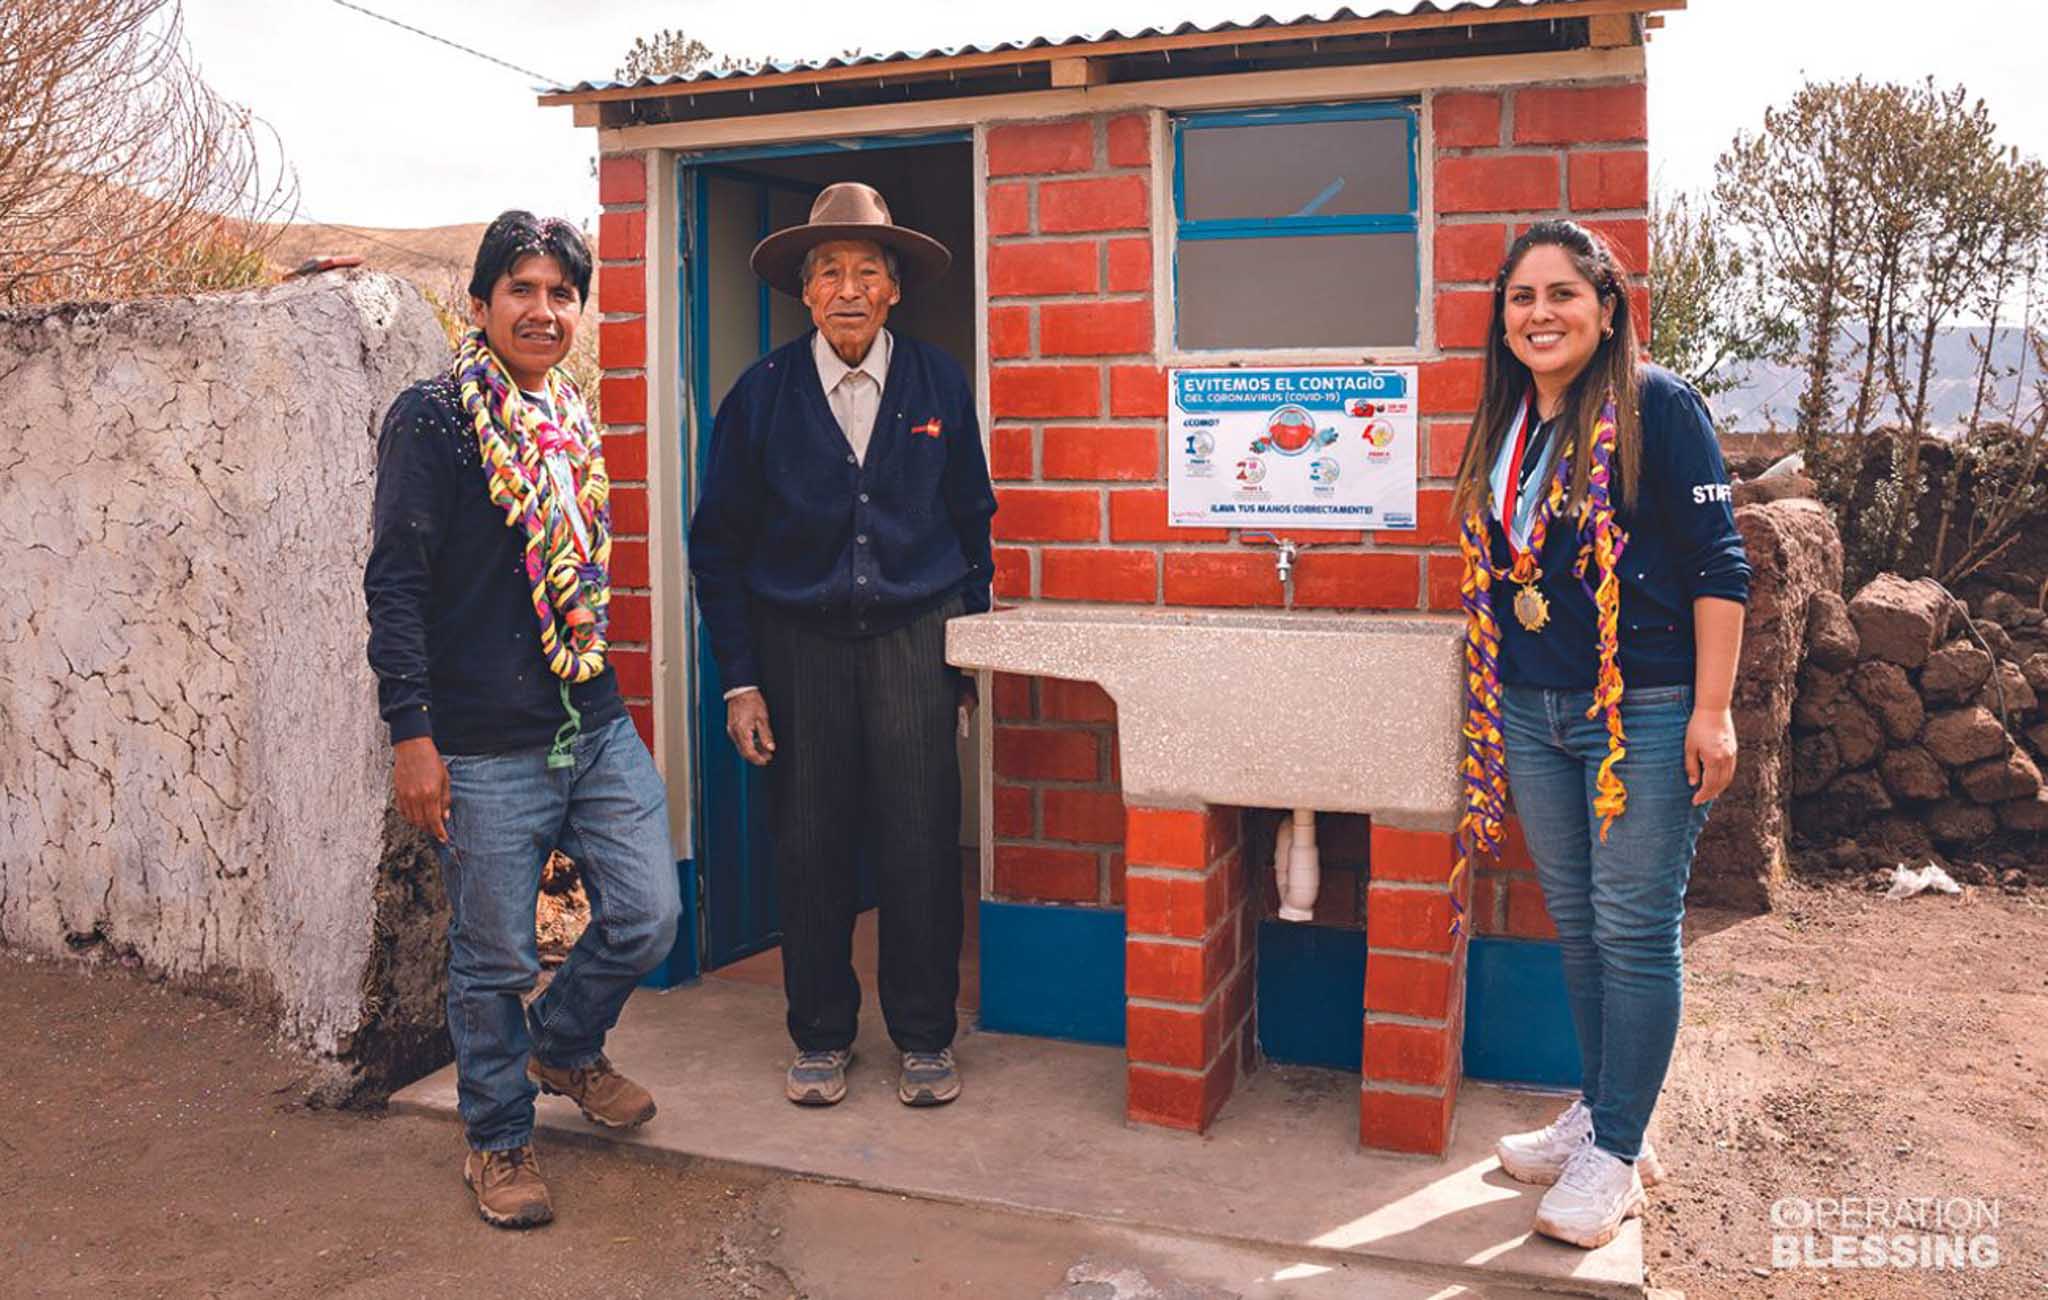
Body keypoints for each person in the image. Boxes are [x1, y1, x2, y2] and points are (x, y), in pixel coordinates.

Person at [364, 212, 681, 1229]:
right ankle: (498, 1138)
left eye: (560, 293)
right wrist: (412, 736)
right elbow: (397, 585)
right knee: (496, 956)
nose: (542, 311)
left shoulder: (570, 419)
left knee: (646, 913)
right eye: (522, 289)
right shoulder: (435, 418)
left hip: (589, 715)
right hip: (481, 740)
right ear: (481, 302)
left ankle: (566, 1043)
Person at [1448, 220, 1750, 1250]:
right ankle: (1599, 1108)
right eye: (1519, 297)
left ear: (1606, 307)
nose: (1538, 313)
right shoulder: (1509, 423)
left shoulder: (1657, 407)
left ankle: (1616, 1152)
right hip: (1532, 711)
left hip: (1645, 710)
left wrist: (1711, 710)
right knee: (1575, 928)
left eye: (1561, 294)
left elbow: (1719, 564)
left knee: (1631, 929)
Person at [689, 182, 996, 1109]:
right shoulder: (761, 396)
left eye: (868, 271)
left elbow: (973, 522)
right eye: (831, 272)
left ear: (894, 288)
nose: (850, 288)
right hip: (799, 650)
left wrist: (966, 659)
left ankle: (924, 1036)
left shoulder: (939, 382)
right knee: (811, 845)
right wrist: (741, 680)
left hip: (915, 641)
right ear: (807, 292)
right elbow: (717, 547)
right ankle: (821, 1033)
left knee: (920, 845)